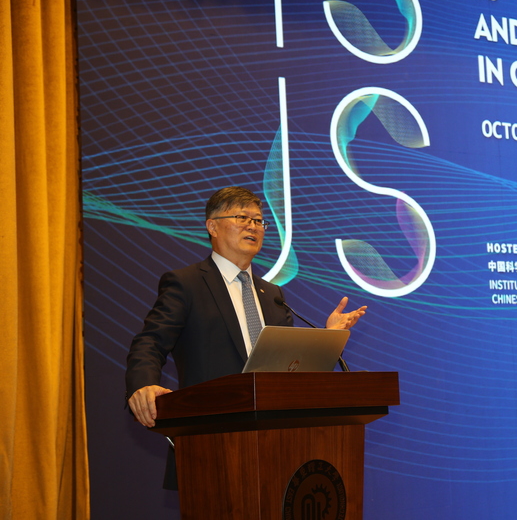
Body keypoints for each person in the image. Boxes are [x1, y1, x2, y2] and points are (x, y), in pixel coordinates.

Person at [125, 186, 366, 488]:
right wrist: (143, 385)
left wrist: (328, 339)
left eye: (259, 221)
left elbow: (290, 371)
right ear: (212, 226)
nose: (253, 226)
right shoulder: (187, 284)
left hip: (279, 448)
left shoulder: (272, 295)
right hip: (211, 445)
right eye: (242, 218)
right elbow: (150, 341)